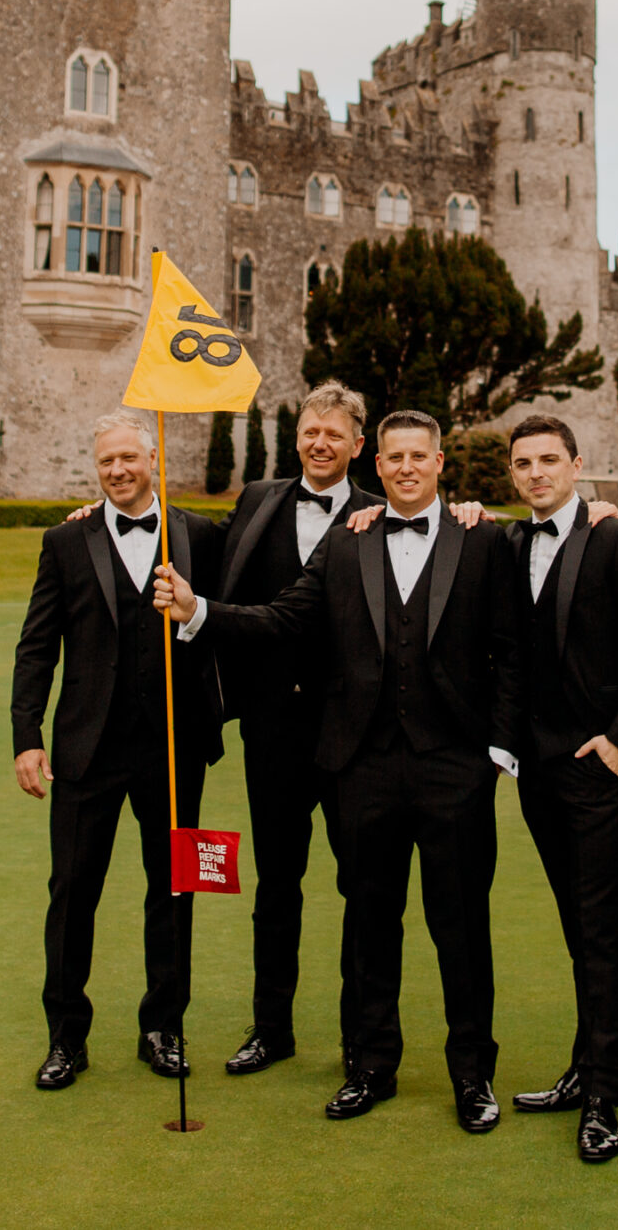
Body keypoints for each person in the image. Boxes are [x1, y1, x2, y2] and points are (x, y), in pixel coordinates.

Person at [155, 410, 522, 1133]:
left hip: (455, 768)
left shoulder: (485, 539)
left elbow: (511, 652)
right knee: (369, 923)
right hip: (364, 764)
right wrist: (199, 610)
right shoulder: (343, 543)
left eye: (421, 455)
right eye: (396, 457)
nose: (408, 466)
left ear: (440, 463)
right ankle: (370, 1064)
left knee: (461, 928)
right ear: (377, 466)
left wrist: (497, 753)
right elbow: (283, 618)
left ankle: (473, 1074)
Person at [11, 412, 225, 1091]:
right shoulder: (66, 541)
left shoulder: (199, 536)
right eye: (107, 462)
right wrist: (27, 736)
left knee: (176, 889)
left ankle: (163, 1027)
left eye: (129, 457)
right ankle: (66, 1039)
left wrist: (191, 616)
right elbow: (36, 646)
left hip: (174, 746)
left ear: (152, 456)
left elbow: (229, 622)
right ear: (96, 467)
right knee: (73, 895)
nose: (118, 471)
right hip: (86, 749)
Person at [499, 414, 618, 1163]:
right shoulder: (509, 542)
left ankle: (605, 1091)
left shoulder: (615, 538)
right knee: (578, 924)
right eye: (523, 463)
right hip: (536, 769)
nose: (536, 472)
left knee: (600, 925)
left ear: (577, 465)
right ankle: (584, 1067)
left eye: (549, 460)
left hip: (599, 763)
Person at [204, 381, 381, 1075]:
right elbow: (203, 545)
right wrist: (105, 513)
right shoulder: (258, 498)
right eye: (311, 430)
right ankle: (270, 1027)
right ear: (297, 434)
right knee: (277, 881)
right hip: (272, 729)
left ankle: (360, 1038)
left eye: (334, 434)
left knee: (361, 884)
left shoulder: (381, 512)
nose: (319, 443)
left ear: (357, 444)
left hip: (352, 733)